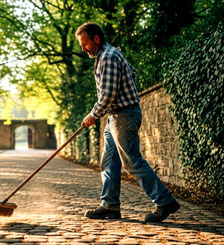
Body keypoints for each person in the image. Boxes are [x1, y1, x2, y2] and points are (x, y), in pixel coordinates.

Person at [75, 22, 180, 222]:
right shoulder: (106, 56)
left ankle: (164, 201)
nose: (83, 48)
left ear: (96, 38)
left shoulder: (108, 57)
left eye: (85, 43)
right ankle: (110, 206)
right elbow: (132, 73)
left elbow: (107, 95)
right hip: (114, 117)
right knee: (109, 163)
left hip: (123, 116)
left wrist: (93, 115)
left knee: (131, 161)